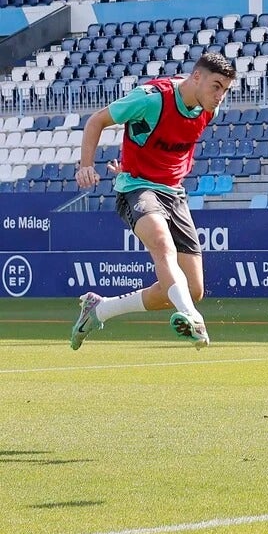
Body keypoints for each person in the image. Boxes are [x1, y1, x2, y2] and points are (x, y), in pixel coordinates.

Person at [69, 52, 237, 351]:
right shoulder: (150, 97)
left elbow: (165, 147)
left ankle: (99, 309)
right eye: (216, 86)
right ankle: (191, 317)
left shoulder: (206, 110)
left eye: (225, 90)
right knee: (162, 245)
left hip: (174, 193)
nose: (220, 96)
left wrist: (138, 158)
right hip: (137, 188)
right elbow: (97, 121)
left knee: (192, 288)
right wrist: (86, 165)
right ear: (196, 76)